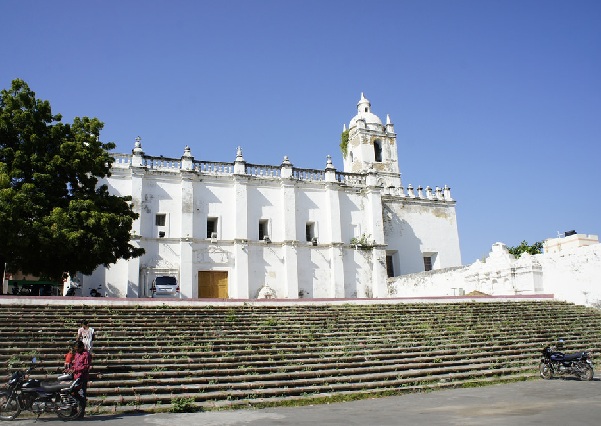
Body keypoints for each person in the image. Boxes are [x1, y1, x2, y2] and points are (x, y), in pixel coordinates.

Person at [70, 340, 91, 419]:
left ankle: (81, 413)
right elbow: (75, 364)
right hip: (76, 378)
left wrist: (76, 369)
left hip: (82, 378)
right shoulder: (77, 354)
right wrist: (71, 368)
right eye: (75, 349)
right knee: (73, 394)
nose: (76, 350)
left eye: (77, 349)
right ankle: (74, 411)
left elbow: (86, 366)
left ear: (82, 347)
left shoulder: (86, 355)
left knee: (81, 395)